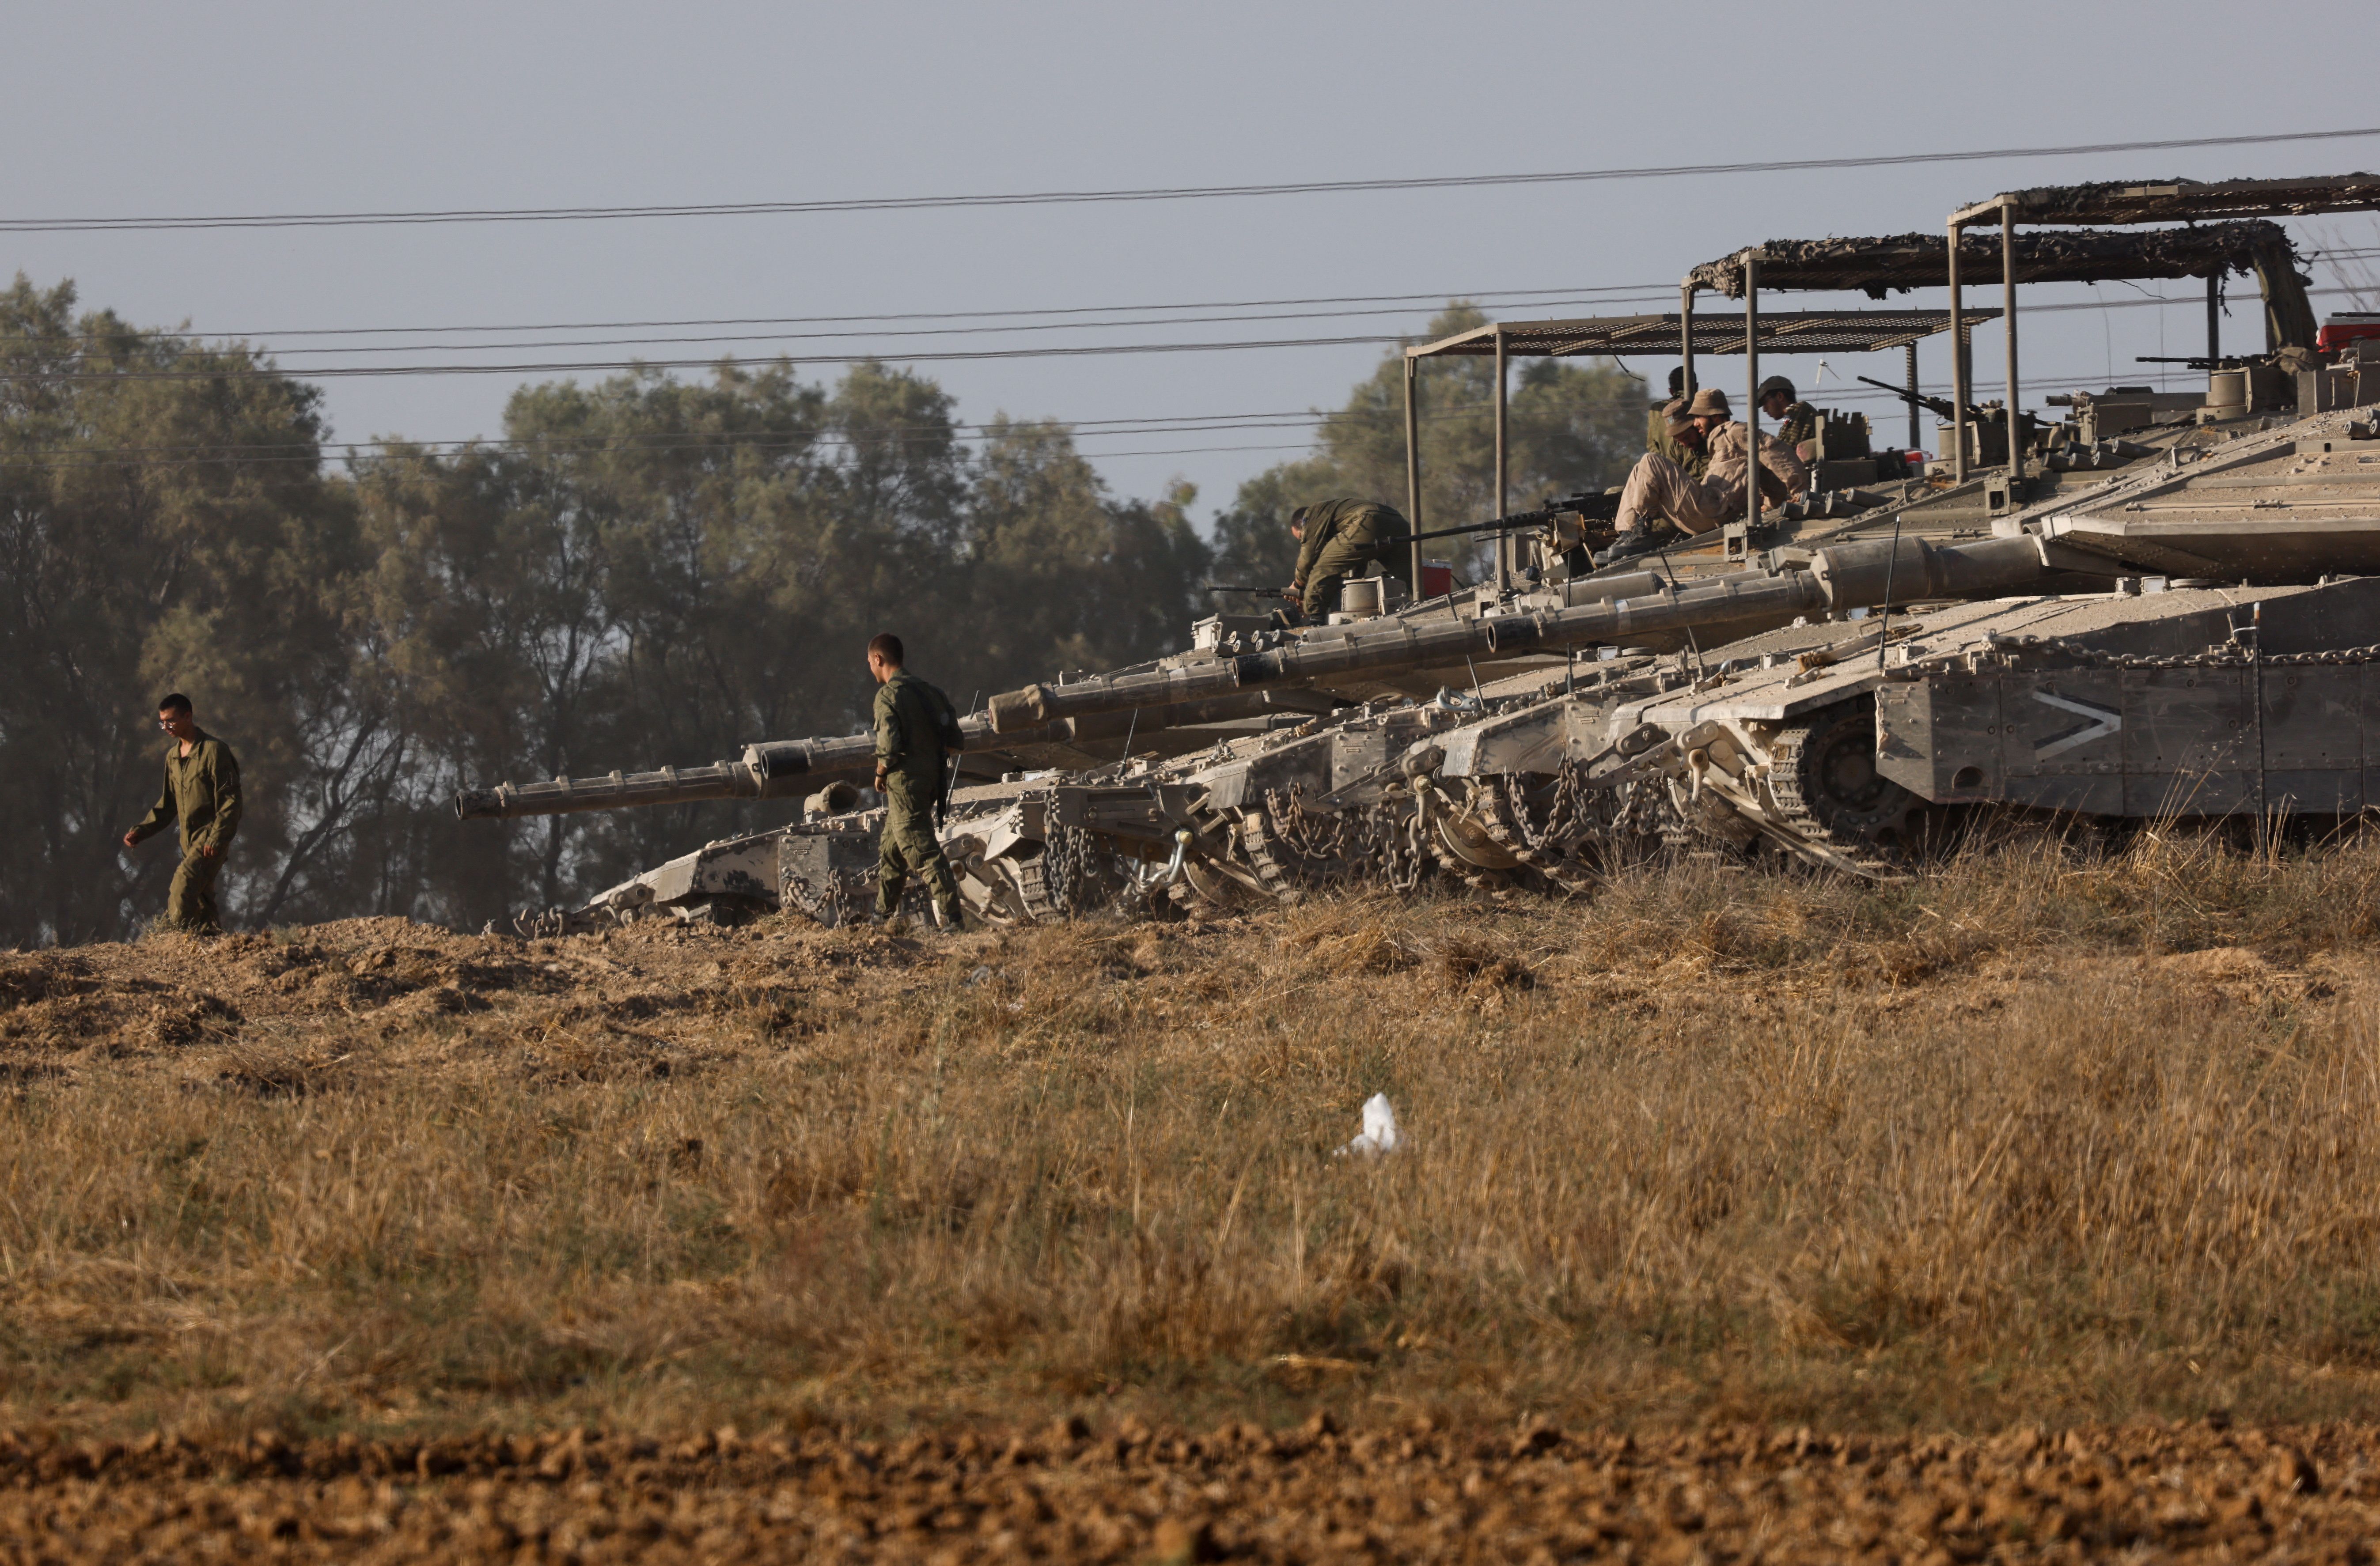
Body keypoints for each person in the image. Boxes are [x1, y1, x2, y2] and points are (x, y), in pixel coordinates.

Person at [1606, 388, 1808, 561]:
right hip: (1702, 511)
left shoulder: (1735, 432)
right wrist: (1772, 505)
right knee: (1639, 468)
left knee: (1651, 461)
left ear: (1716, 417)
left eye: (1697, 419)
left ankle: (1642, 532)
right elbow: (1765, 477)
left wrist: (1800, 490)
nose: (1695, 424)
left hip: (1713, 509)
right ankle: (1629, 534)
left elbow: (1775, 451)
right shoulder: (1719, 441)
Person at [120, 693, 242, 936]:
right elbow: (168, 805)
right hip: (188, 840)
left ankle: (178, 941)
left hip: (210, 838)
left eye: (171, 721)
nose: (166, 727)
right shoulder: (173, 758)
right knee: (202, 901)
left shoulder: (214, 751)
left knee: (183, 883)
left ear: (189, 716)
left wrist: (216, 838)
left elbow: (231, 801)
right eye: (162, 722)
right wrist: (141, 831)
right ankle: (214, 949)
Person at [867, 632, 964, 933]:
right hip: (931, 783)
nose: (870, 667)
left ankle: (953, 921)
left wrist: (881, 773)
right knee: (892, 850)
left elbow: (890, 746)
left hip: (904, 785)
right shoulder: (932, 692)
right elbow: (955, 743)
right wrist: (929, 765)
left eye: (870, 662)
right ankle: (882, 918)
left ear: (878, 660)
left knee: (922, 851)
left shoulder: (888, 695)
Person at [1285, 498, 1408, 618]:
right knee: (1409, 579)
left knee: (1323, 566)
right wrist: (1310, 596)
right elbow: (1352, 569)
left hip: (1370, 520)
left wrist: (1298, 585)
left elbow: (1308, 558)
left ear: (1302, 524)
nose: (1304, 541)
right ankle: (1421, 604)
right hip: (1399, 523)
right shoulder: (1338, 519)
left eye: (1302, 538)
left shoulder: (1311, 515)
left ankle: (1316, 619)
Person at [1645, 369, 1708, 481]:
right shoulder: (1704, 408)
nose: (1684, 443)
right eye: (1679, 440)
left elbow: (1653, 448)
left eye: (1686, 437)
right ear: (1697, 387)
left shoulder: (1658, 410)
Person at [1758, 375, 1821, 450]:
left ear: (1780, 397)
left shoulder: (1800, 411)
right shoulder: (1790, 416)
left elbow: (1787, 449)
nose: (1764, 410)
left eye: (1765, 403)